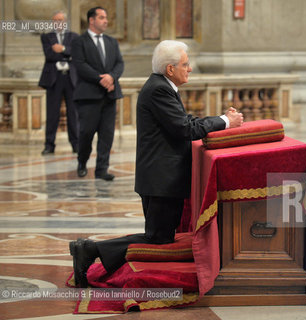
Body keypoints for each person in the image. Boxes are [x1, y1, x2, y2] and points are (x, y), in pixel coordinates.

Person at [69, 40, 243, 288]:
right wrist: (225, 120)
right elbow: (185, 128)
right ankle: (89, 249)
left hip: (160, 177)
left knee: (159, 238)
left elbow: (183, 120)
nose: (190, 69)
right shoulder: (159, 89)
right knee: (157, 239)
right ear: (170, 69)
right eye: (185, 64)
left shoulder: (162, 86)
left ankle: (90, 249)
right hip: (161, 179)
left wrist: (220, 119)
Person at [71, 6, 124, 181]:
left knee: (107, 135)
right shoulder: (80, 41)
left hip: (109, 95)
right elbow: (80, 64)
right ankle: (82, 162)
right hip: (88, 95)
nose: (105, 21)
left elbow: (119, 63)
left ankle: (102, 169)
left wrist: (111, 77)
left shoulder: (111, 42)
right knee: (86, 133)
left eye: (106, 17)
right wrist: (100, 79)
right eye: (101, 17)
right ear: (91, 20)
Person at [38, 11, 79, 155]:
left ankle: (76, 144)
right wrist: (67, 55)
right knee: (52, 113)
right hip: (53, 79)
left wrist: (62, 49)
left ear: (65, 21)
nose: (58, 23)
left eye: (60, 20)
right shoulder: (46, 37)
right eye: (55, 21)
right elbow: (49, 55)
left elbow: (76, 54)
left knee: (73, 113)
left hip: (70, 78)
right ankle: (49, 145)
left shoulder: (74, 36)